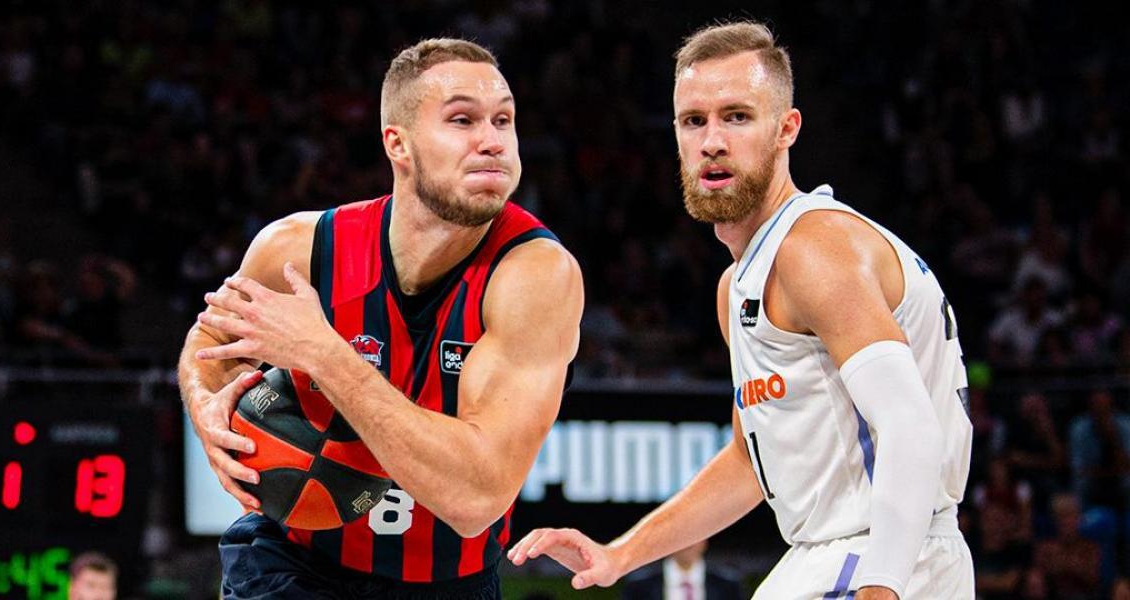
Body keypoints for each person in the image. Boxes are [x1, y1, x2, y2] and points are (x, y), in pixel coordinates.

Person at [509, 21, 974, 599]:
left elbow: (910, 428)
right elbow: (750, 464)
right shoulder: (738, 286)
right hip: (834, 557)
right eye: (693, 121)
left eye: (737, 116)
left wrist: (881, 586)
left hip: (881, 553)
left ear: (787, 129)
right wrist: (621, 553)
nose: (712, 142)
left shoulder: (814, 249)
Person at [177, 38, 582, 599]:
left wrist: (324, 354)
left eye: (504, 120)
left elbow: (475, 501)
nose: (492, 142)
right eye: (463, 120)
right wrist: (206, 406)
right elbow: (211, 338)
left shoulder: (535, 275)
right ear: (399, 144)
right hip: (292, 563)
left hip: (449, 582)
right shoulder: (300, 248)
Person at [620, 539, 744, 600]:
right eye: (682, 536)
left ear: (705, 540)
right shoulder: (639, 586)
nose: (688, 542)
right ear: (667, 542)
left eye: (695, 536)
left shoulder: (728, 585)